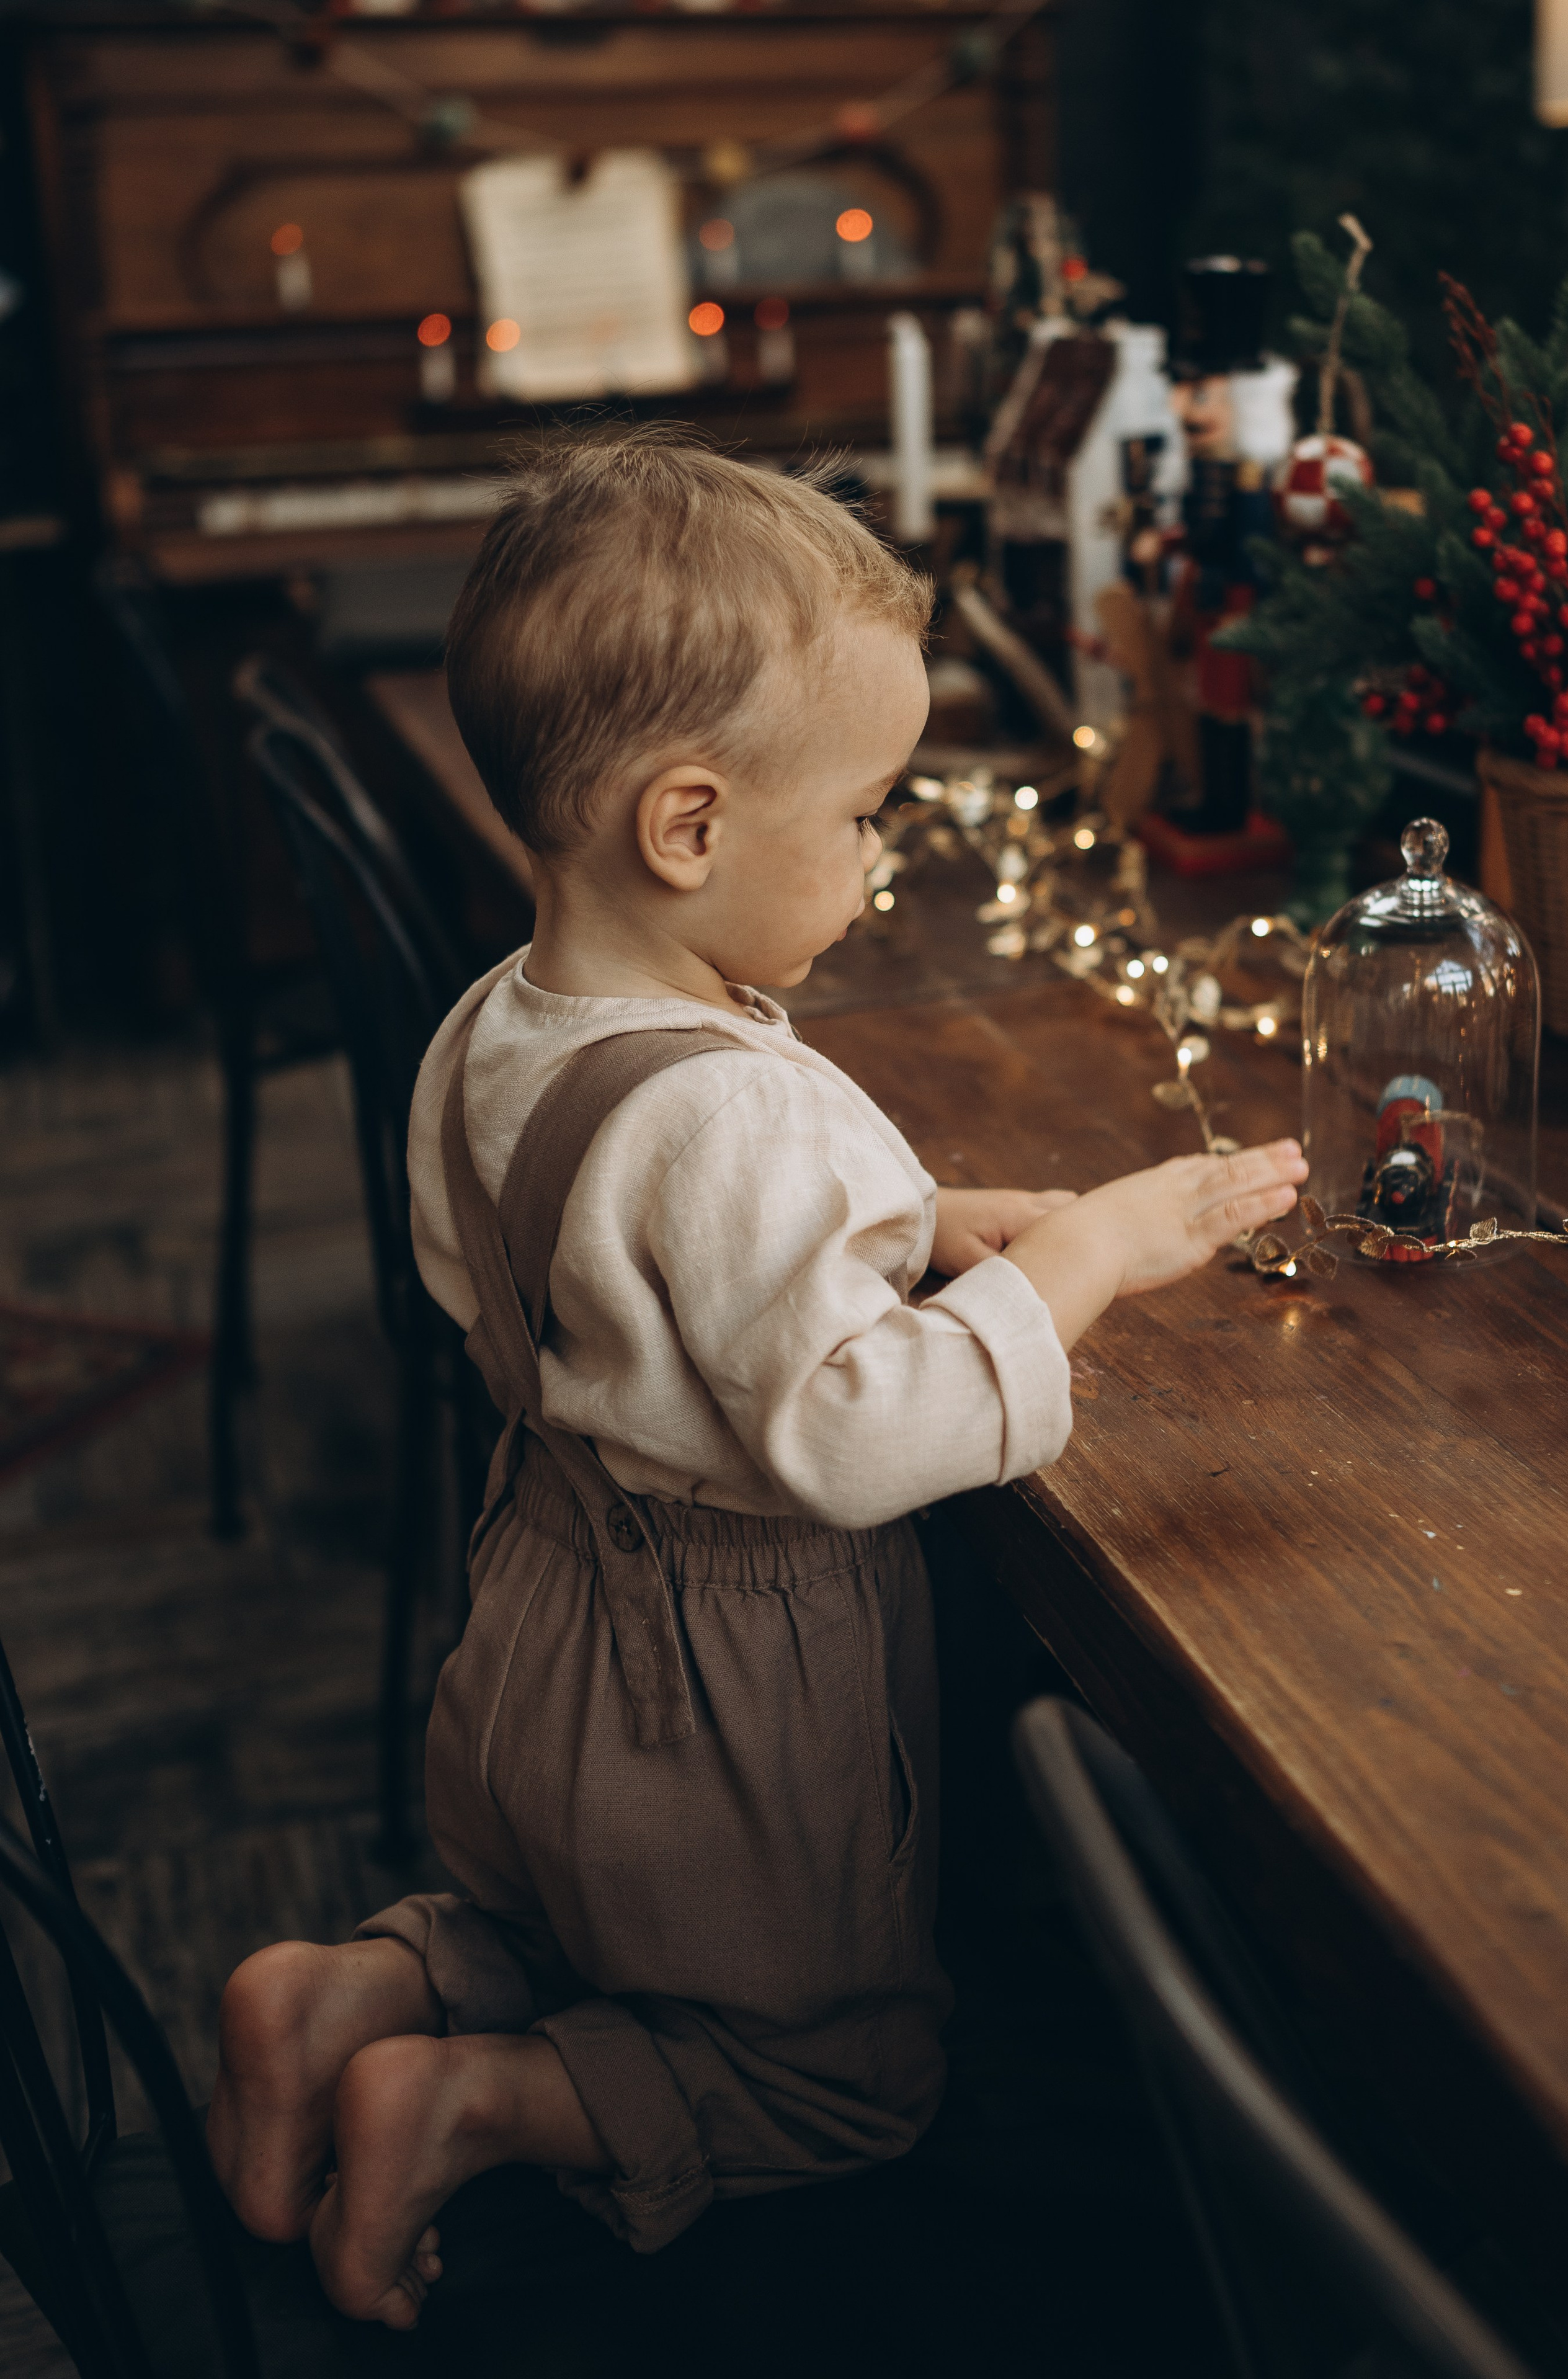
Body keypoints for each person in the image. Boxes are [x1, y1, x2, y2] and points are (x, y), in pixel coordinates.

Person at [206, 432, 1306, 2331]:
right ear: (691, 828)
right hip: (722, 1684)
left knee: (568, 1921)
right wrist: (1088, 1254)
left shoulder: (504, 1021)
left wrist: (918, 1213)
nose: (882, 860)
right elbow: (861, 1434)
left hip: (541, 1610)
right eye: (869, 812)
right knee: (828, 2058)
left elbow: (560, 1268)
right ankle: (464, 2092)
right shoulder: (738, 1105)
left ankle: (347, 1983)